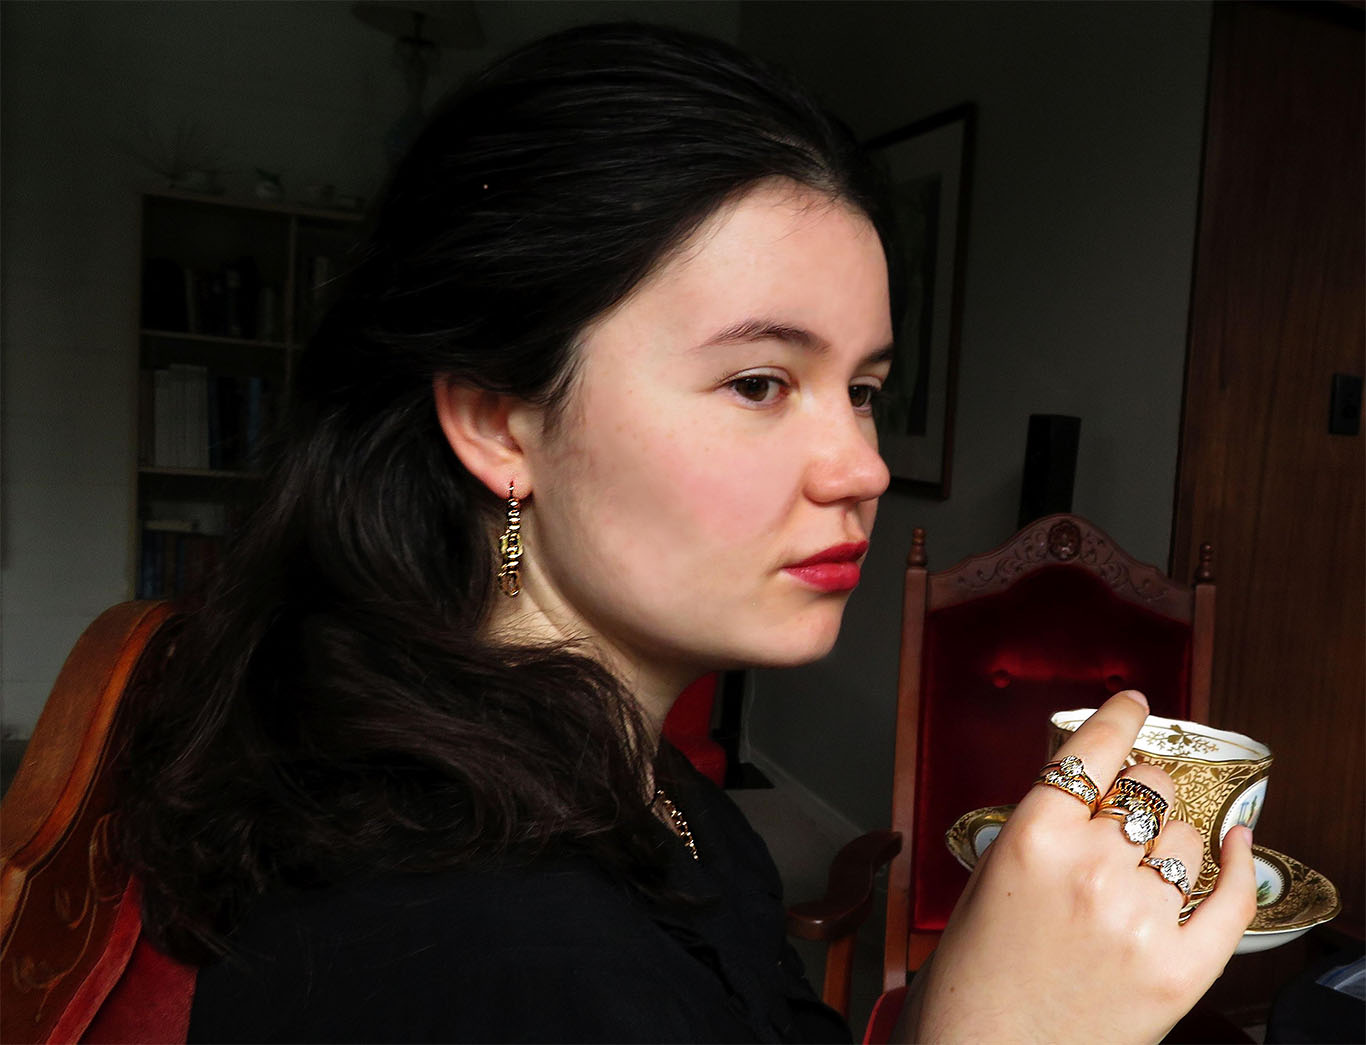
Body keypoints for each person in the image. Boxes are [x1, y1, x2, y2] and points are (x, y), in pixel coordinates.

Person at [116, 22, 1256, 1044]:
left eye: (862, 386)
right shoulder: (478, 941)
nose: (862, 467)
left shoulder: (628, 769)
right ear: (497, 419)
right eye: (760, 381)